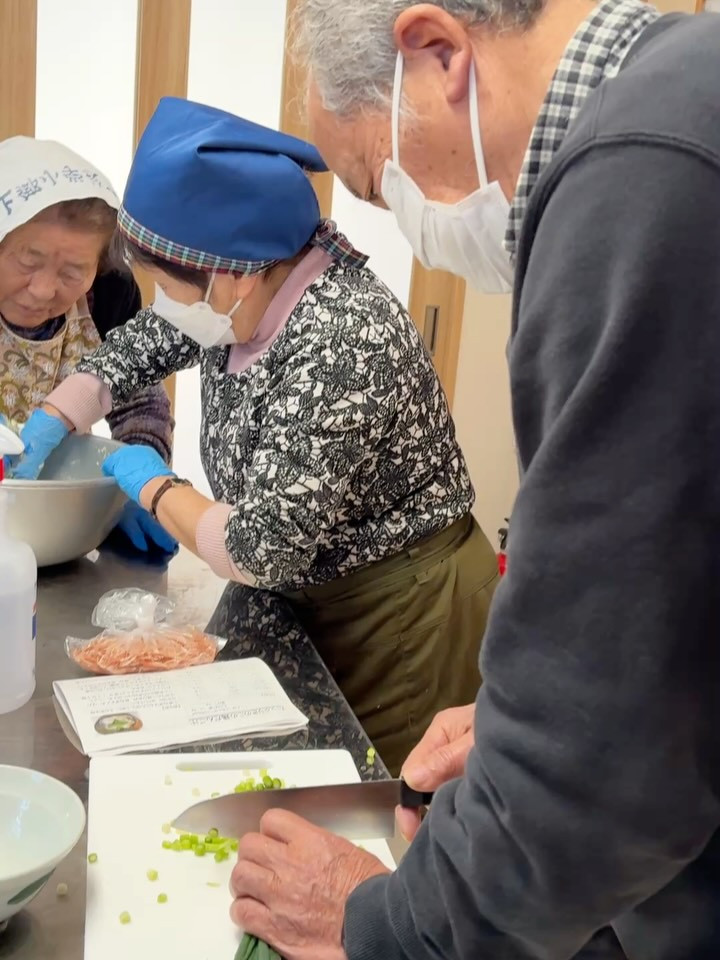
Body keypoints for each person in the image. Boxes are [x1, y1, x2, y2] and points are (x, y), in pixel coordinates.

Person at [225, 0, 720, 958]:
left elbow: (603, 760)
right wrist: (519, 722)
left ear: (439, 52)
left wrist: (392, 927)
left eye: (381, 181)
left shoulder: (641, 177)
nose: (410, 223)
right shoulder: (687, 96)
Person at [16, 97, 499, 776]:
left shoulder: (340, 336)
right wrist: (56, 416)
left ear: (230, 274)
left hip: (398, 610)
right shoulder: (242, 290)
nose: (166, 304)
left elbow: (261, 549)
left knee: (377, 797)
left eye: (172, 285)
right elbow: (146, 342)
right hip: (301, 583)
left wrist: (151, 484)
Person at [0, 136, 175, 553]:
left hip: (56, 519)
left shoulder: (110, 293)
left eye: (74, 271)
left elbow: (139, 404)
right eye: (27, 261)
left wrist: (133, 489)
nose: (43, 291)